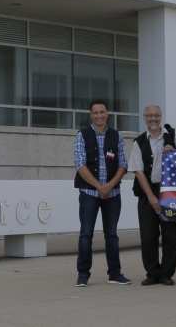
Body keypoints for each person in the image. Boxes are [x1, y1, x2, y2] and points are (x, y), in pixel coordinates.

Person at [73, 100, 129, 287]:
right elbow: (80, 165)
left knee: (111, 235)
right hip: (89, 193)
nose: (99, 116)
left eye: (102, 112)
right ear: (91, 115)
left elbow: (123, 164)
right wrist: (99, 186)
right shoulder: (82, 135)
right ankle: (83, 274)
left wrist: (109, 186)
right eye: (95, 112)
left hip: (112, 195)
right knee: (85, 234)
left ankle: (114, 274)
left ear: (107, 114)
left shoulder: (116, 135)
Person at [128, 105, 176, 286]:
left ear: (161, 117)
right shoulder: (139, 142)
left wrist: (173, 151)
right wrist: (152, 197)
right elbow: (138, 171)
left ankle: (167, 273)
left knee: (170, 235)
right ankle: (152, 273)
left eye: (156, 115)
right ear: (145, 118)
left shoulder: (173, 136)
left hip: (170, 191)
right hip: (147, 192)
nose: (153, 119)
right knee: (148, 236)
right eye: (149, 116)